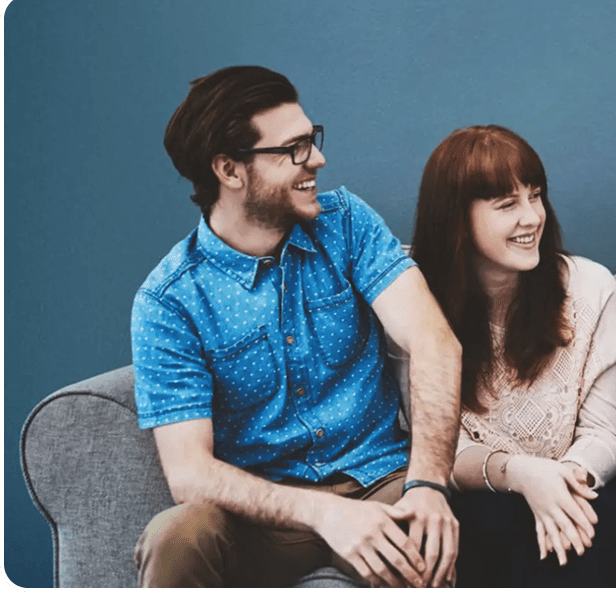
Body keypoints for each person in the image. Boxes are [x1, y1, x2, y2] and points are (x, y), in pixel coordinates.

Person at [131, 65, 462, 588]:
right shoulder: (169, 302)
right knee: (175, 535)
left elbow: (433, 341)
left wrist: (428, 484)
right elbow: (189, 472)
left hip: (379, 481)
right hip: (262, 517)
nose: (318, 160)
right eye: (295, 149)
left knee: (429, 540)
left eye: (313, 140)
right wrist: (322, 513)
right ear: (230, 170)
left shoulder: (347, 223)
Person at [399, 124, 616, 587]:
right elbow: (437, 448)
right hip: (489, 490)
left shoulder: (590, 288)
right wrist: (521, 474)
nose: (531, 217)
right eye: (507, 205)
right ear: (456, 219)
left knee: (568, 534)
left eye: (534, 196)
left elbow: (605, 432)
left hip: (596, 482)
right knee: (479, 526)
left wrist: (558, 485)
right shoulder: (415, 307)